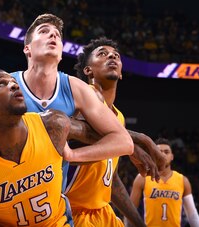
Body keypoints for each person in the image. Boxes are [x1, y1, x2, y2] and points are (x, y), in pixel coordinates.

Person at [0, 14, 134, 197]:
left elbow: (123, 142)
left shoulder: (76, 88)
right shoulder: (4, 86)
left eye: (57, 35)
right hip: (4, 196)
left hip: (51, 210)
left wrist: (72, 156)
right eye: (44, 32)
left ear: (61, 53)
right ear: (27, 48)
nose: (53, 36)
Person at [0, 70, 108, 226]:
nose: (14, 85)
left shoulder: (51, 124)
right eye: (1, 84)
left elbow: (108, 134)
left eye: (14, 82)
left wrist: (134, 140)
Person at [64, 37, 163, 226]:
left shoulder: (119, 117)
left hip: (102, 212)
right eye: (102, 54)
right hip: (72, 212)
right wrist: (136, 141)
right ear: (88, 70)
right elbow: (81, 133)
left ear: (121, 72)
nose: (111, 56)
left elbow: (112, 180)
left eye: (116, 56)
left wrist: (138, 223)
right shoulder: (81, 98)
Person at [129, 138, 199, 227]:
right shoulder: (142, 178)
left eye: (166, 152)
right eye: (159, 151)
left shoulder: (183, 180)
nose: (163, 154)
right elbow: (130, 210)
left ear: (172, 156)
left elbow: (192, 215)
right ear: (153, 155)